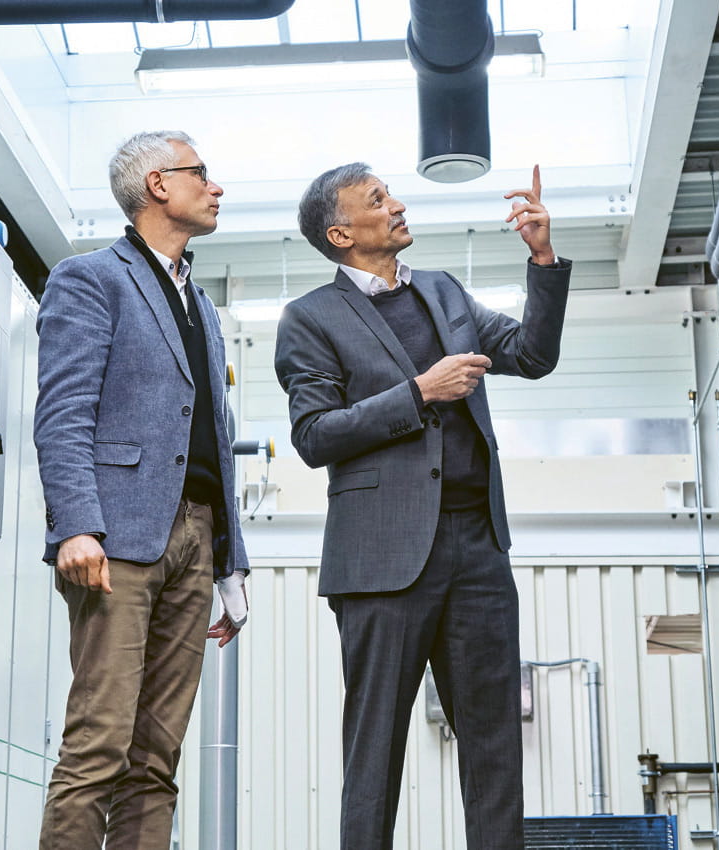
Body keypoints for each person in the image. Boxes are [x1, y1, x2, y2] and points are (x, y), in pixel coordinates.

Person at [275, 162, 570, 848]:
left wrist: (543, 259)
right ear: (341, 232)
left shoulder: (442, 290)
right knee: (374, 750)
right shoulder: (309, 319)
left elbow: (532, 354)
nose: (398, 204)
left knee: (494, 743)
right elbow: (314, 436)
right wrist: (420, 391)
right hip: (381, 559)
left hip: (476, 549)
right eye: (379, 200)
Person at [34, 130, 248, 850]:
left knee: (156, 763)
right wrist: (75, 526)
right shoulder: (90, 277)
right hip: (116, 537)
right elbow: (63, 412)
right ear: (157, 184)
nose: (215, 188)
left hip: (195, 537)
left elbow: (214, 434)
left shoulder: (203, 306)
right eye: (202, 175)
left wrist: (231, 560)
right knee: (100, 746)